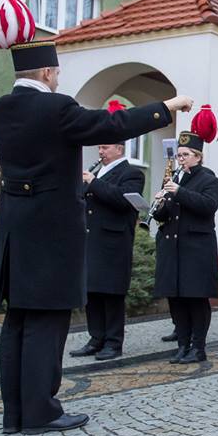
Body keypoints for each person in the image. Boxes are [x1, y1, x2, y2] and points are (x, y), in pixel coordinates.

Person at [0, 0, 193, 435]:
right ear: (45, 70)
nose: (59, 78)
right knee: (46, 322)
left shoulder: (0, 109)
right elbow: (111, 124)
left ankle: (14, 412)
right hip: (51, 233)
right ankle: (41, 412)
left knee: (17, 320)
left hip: (15, 231)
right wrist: (167, 108)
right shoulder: (55, 107)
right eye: (56, 71)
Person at [69, 113, 145, 361]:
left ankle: (113, 342)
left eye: (104, 147)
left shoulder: (132, 173)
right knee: (92, 291)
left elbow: (124, 201)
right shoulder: (97, 173)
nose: (100, 151)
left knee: (111, 294)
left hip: (114, 243)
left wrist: (93, 183)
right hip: (91, 240)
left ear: (119, 149)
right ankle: (96, 337)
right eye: (99, 147)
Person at [153, 106, 218, 364]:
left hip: (196, 249)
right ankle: (182, 344)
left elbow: (207, 206)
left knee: (195, 300)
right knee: (177, 300)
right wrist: (158, 205)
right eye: (179, 154)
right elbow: (165, 215)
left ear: (198, 157)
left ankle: (198, 347)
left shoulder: (210, 180)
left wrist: (178, 192)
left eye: (185, 155)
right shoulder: (173, 179)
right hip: (173, 247)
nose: (180, 159)